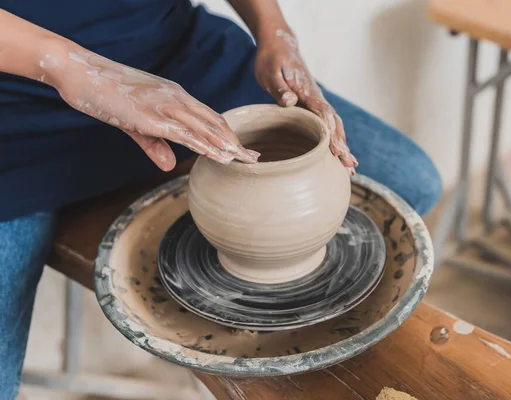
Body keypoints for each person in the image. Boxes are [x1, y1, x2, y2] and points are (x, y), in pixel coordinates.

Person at [0, 0, 442, 397]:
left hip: (176, 63)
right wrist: (70, 66)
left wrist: (273, 31)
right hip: (17, 107)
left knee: (410, 179)